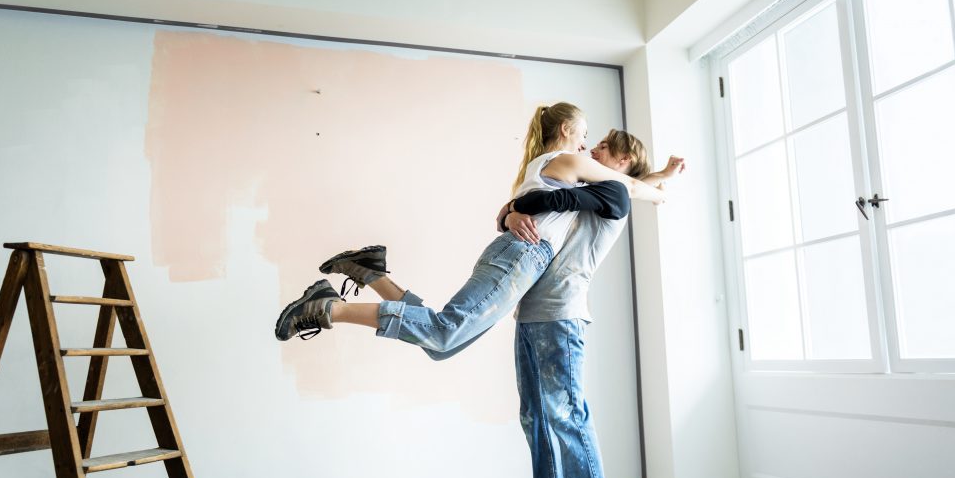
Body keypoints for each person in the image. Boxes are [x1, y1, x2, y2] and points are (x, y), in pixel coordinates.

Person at [274, 103, 667, 351]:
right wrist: (664, 186)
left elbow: (624, 188)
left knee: (442, 342)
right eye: (584, 135)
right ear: (566, 131)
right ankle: (328, 307)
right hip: (524, 254)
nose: (585, 145)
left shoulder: (555, 167)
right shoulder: (565, 159)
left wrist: (508, 212)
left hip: (520, 255)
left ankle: (371, 271)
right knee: (445, 333)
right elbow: (626, 186)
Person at [500, 131, 685, 478]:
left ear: (621, 160)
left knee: (568, 418)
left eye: (602, 147)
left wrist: (513, 210)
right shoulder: (592, 186)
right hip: (530, 313)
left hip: (562, 315)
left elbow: (545, 199)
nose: (591, 150)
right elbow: (524, 203)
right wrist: (508, 214)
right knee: (536, 417)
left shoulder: (611, 193)